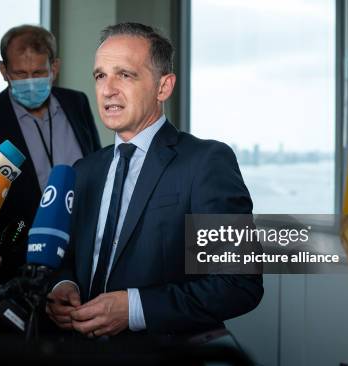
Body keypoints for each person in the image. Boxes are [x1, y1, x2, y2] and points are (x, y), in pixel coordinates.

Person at [46, 23, 263, 340]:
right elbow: (66, 260)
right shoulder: (84, 170)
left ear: (163, 87)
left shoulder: (206, 162)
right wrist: (64, 286)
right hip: (81, 352)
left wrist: (134, 308)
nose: (107, 89)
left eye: (125, 74)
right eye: (100, 75)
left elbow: (238, 284)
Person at [0, 25, 101, 279]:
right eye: (20, 73)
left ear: (54, 68)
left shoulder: (77, 103)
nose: (30, 82)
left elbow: (97, 163)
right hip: (18, 256)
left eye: (39, 72)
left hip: (84, 246)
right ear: (4, 71)